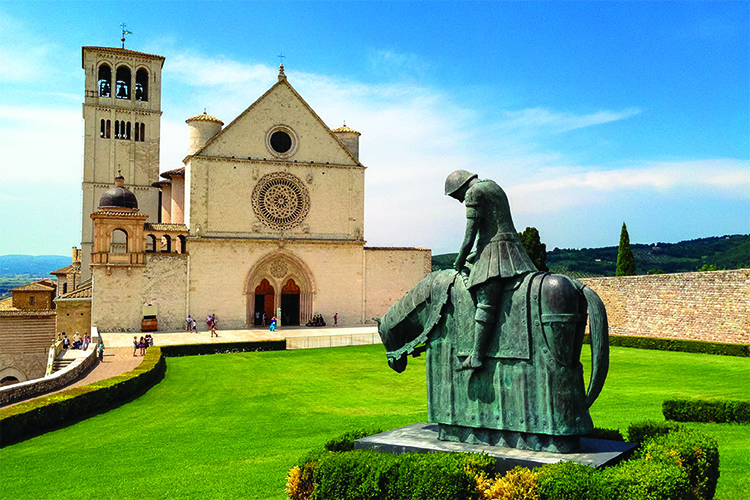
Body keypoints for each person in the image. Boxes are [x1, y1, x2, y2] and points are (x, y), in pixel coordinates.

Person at [445, 170, 537, 371]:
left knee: (485, 300)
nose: (460, 201)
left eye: (456, 196)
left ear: (460, 187)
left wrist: (460, 259)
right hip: (512, 248)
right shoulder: (494, 186)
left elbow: (471, 234)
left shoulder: (473, 192)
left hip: (496, 252)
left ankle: (476, 355)